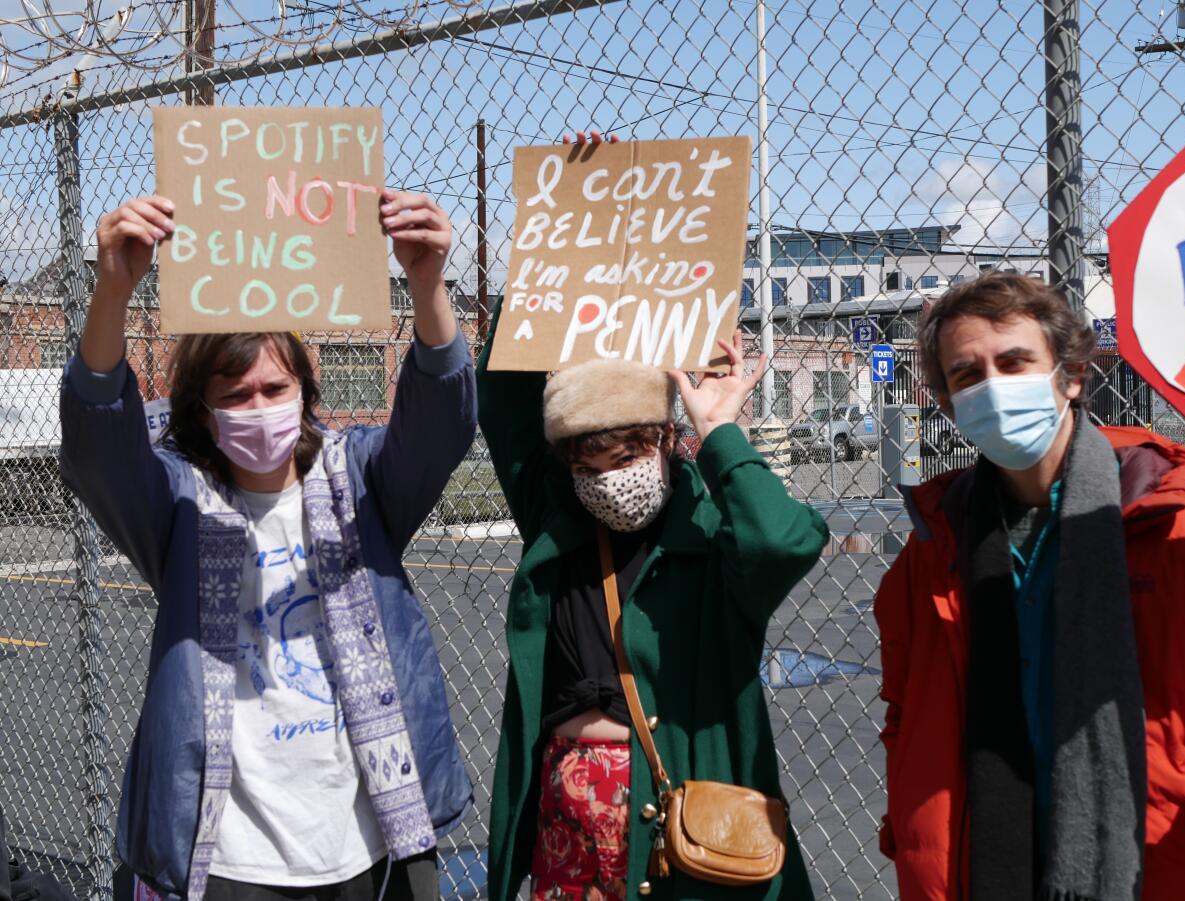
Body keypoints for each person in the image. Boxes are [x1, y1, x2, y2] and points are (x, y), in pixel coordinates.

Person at [59, 190, 476, 900]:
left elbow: (441, 422)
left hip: (369, 837)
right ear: (203, 411)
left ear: (305, 391)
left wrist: (428, 284)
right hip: (231, 853)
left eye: (274, 387)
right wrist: (112, 292)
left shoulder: (363, 480)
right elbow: (100, 446)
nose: (259, 407)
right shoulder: (178, 503)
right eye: (236, 395)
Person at [480, 129, 830, 901]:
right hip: (566, 835)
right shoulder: (557, 521)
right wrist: (554, 233)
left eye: (629, 445)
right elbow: (505, 395)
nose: (608, 471)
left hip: (678, 836)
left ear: (667, 439)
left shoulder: (709, 536)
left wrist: (722, 431)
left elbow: (783, 539)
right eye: (586, 454)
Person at [874, 271, 1185, 900]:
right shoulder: (934, 545)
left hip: (1151, 856)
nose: (994, 387)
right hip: (985, 854)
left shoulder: (1174, 523)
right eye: (968, 375)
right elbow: (905, 710)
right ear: (946, 404)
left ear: (1071, 376)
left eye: (1016, 361)